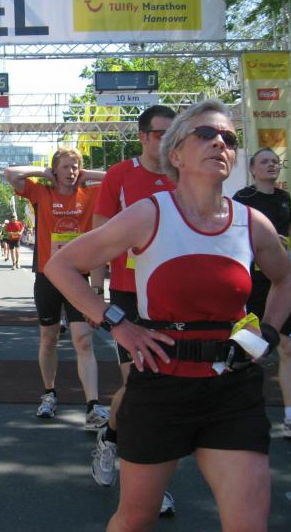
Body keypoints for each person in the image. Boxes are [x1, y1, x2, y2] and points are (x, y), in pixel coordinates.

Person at [45, 99, 291, 532]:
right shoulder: (150, 213)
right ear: (176, 155)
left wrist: (269, 334)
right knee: (135, 519)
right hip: (161, 385)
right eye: (206, 133)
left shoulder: (251, 222)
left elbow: (287, 278)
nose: (219, 142)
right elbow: (61, 266)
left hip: (232, 388)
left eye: (228, 138)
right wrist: (116, 322)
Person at [89, 105, 178, 517]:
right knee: (143, 385)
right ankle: (149, 484)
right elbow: (99, 236)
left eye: (175, 133)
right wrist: (95, 293)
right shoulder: (120, 175)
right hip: (128, 294)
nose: (169, 140)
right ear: (142, 137)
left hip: (174, 295)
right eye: (161, 134)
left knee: (161, 386)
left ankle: (111, 436)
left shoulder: (185, 174)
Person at [4, 150, 108, 426]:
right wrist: (42, 173)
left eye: (75, 167)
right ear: (55, 170)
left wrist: (87, 175)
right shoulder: (41, 193)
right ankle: (49, 394)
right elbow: (10, 173)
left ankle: (93, 405)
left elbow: (116, 179)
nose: (71, 172)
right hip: (48, 277)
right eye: (65, 167)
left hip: (78, 277)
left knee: (83, 340)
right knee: (49, 339)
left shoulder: (90, 194)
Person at [233, 147, 291, 439]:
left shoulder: (283, 197)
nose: (271, 165)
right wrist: (264, 239)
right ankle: (235, 414)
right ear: (253, 169)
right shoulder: (242, 198)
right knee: (249, 347)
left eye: (275, 162)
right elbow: (231, 231)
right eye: (265, 162)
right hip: (253, 281)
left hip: (281, 280)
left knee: (288, 346)